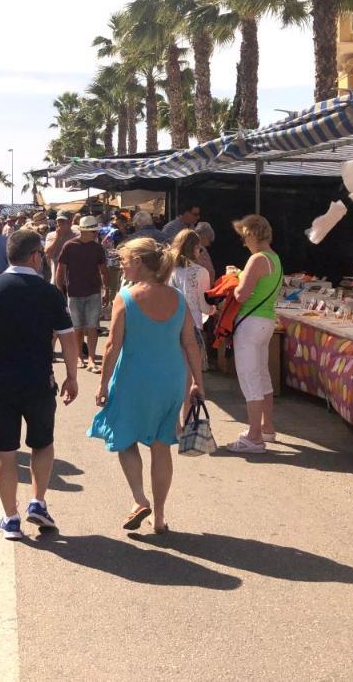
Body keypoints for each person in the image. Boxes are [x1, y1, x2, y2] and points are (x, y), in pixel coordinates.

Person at [88, 237, 205, 534]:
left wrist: (102, 383)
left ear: (139, 262)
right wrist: (198, 385)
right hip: (170, 380)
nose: (122, 267)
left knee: (125, 439)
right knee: (161, 445)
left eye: (125, 261)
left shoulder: (126, 297)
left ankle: (140, 499)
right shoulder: (178, 298)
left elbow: (113, 345)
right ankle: (161, 516)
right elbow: (191, 344)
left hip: (132, 379)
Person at [0, 229, 79, 540]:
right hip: (38, 381)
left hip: (0, 380)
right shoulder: (50, 293)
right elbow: (68, 340)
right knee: (42, 444)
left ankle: (11, 518)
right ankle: (38, 502)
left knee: (5, 453)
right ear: (35, 256)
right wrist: (72, 376)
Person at [226, 214, 283, 454]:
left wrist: (233, 278)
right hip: (265, 322)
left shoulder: (257, 259)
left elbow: (241, 294)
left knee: (251, 380)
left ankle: (254, 436)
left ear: (251, 233)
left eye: (244, 236)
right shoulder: (274, 258)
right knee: (261, 376)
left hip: (250, 323)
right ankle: (266, 427)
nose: (243, 242)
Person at [55, 215, 109, 372]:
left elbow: (104, 271)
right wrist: (60, 290)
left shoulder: (97, 248)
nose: (95, 234)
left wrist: (106, 290)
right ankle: (79, 357)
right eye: (94, 231)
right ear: (87, 231)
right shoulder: (69, 246)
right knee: (78, 328)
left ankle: (91, 358)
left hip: (93, 291)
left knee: (92, 327)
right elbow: (61, 269)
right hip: (74, 292)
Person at [170, 228, 214, 371]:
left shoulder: (168, 270)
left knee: (175, 368)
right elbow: (203, 306)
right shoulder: (200, 272)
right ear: (195, 248)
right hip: (193, 325)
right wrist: (215, 309)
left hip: (169, 324)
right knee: (191, 369)